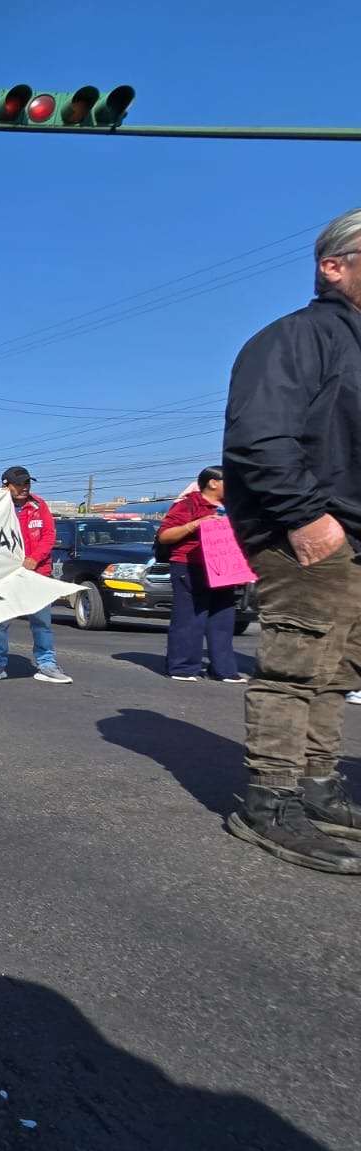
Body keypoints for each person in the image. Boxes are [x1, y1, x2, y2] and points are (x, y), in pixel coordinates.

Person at [220, 209, 361, 874]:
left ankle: (319, 788)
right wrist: (308, 517)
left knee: (336, 674)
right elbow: (261, 437)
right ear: (335, 267)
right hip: (309, 535)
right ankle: (271, 804)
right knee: (293, 670)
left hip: (352, 539)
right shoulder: (297, 338)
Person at [0, 466, 71, 684]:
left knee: (41, 622)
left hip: (38, 573)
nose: (24, 488)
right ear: (6, 485)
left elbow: (49, 536)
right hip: (5, 576)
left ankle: (47, 664)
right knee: (1, 622)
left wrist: (34, 559)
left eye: (27, 484)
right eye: (19, 484)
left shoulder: (39, 505)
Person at [158, 467, 246, 683]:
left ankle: (224, 670)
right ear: (213, 483)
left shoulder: (233, 507)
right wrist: (196, 524)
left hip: (225, 568)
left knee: (223, 620)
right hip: (190, 566)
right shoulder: (188, 504)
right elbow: (165, 536)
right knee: (189, 619)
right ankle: (183, 667)